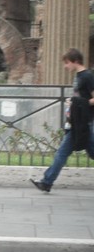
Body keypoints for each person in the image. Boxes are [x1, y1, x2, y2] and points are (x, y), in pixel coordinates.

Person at [30, 48, 94, 192]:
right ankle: (47, 182)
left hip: (85, 122)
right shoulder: (78, 76)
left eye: (66, 63)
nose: (65, 66)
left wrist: (78, 103)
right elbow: (80, 97)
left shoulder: (87, 76)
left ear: (75, 61)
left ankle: (47, 182)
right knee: (63, 152)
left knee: (65, 152)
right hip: (77, 122)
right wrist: (73, 103)